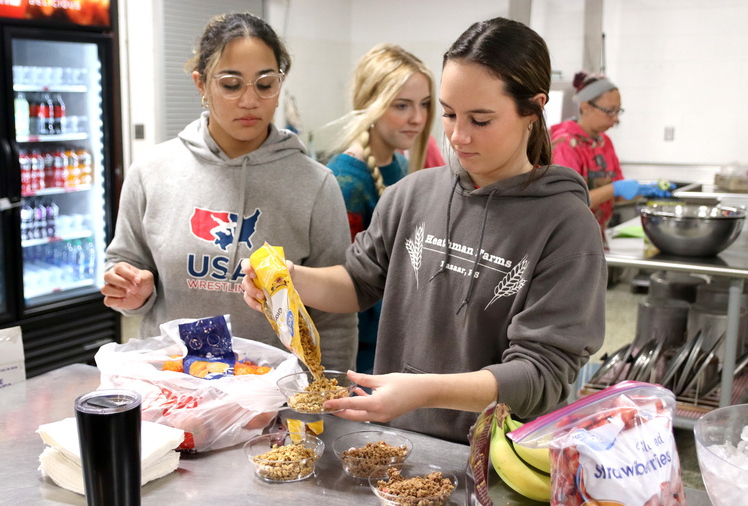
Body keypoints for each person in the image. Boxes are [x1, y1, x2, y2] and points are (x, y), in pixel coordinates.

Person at [242, 17, 607, 443]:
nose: (458, 136)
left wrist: (424, 392)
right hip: (392, 445)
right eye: (450, 115)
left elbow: (539, 377)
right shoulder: (412, 194)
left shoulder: (565, 227)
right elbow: (358, 282)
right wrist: (291, 280)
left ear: (533, 109)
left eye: (481, 120)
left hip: (494, 460)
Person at [102, 12, 357, 372]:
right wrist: (131, 292)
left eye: (265, 84)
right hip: (175, 387)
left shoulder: (315, 184)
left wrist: (327, 398)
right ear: (201, 85)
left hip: (270, 398)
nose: (250, 101)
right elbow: (123, 268)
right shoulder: (152, 171)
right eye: (231, 84)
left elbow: (336, 316)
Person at [326, 43, 435, 373]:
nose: (417, 118)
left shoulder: (400, 165)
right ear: (370, 105)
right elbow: (340, 287)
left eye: (425, 105)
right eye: (402, 105)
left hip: (398, 340)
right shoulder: (346, 181)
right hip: (363, 353)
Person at [551, 71, 671, 241]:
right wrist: (616, 188)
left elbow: (617, 196)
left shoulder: (604, 142)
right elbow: (569, 202)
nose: (615, 118)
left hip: (596, 236)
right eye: (609, 111)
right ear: (585, 107)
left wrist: (645, 190)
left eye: (618, 111)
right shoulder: (565, 144)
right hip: (568, 239)